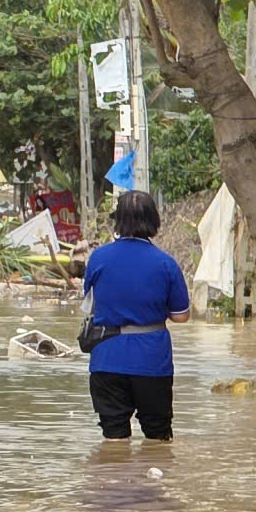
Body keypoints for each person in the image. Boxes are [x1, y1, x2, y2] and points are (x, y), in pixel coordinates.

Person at [82, 189, 192, 441]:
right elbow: (181, 316)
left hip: (106, 359)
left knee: (114, 440)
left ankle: (113, 478)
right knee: (158, 438)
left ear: (118, 221)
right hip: (152, 362)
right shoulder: (166, 263)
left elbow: (88, 304)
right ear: (154, 221)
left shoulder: (98, 258)